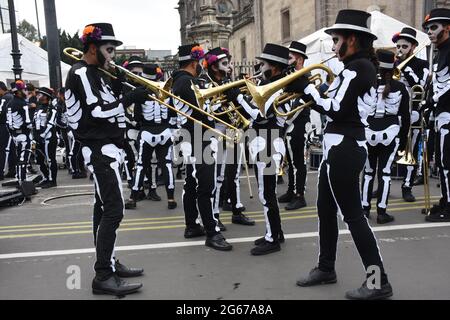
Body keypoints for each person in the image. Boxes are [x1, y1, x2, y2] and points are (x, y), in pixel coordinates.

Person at [292, 10, 393, 300]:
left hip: (345, 148)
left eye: (336, 40)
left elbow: (336, 109)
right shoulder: (354, 69)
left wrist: (307, 89)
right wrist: (310, 93)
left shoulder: (358, 68)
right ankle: (326, 268)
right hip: (336, 146)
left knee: (354, 217)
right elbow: (331, 103)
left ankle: (378, 281)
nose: (333, 47)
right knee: (325, 210)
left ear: (352, 39)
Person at [65, 22, 146, 296]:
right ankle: (103, 274)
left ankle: (108, 262)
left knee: (103, 208)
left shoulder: (96, 73)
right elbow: (98, 111)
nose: (112, 55)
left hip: (109, 148)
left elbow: (107, 105)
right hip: (99, 150)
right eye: (109, 49)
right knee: (114, 209)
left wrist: (121, 85)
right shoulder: (82, 73)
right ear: (92, 47)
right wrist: (130, 97)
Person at [225, 43, 292, 255]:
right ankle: (276, 232)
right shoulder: (272, 84)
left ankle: (273, 239)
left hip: (269, 143)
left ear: (273, 67)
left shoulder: (278, 87)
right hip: (265, 141)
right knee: (268, 192)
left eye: (262, 64)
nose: (259, 67)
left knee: (266, 194)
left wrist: (236, 96)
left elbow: (259, 115)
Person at [172, 43, 232, 251]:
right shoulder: (187, 82)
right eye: (198, 62)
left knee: (191, 184)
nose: (201, 67)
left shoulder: (180, 81)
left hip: (191, 136)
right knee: (206, 186)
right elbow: (204, 112)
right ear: (193, 62)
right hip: (199, 138)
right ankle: (212, 232)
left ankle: (191, 225)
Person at [202, 47, 255, 230]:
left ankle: (237, 210)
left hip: (232, 130)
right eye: (225, 64)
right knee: (219, 176)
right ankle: (215, 214)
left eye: (230, 63)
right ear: (214, 66)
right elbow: (210, 112)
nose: (230, 67)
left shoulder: (227, 81)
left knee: (235, 174)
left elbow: (237, 108)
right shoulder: (206, 84)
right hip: (216, 131)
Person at [361, 50, 411, 224]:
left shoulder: (368, 85)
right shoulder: (400, 88)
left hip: (368, 134)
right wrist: (403, 143)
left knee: (368, 173)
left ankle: (364, 209)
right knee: (385, 173)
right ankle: (382, 212)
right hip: (390, 134)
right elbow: (406, 118)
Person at [127, 63, 178, 210]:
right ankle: (171, 198)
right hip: (165, 132)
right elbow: (173, 113)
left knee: (141, 165)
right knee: (167, 165)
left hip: (147, 132)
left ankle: (133, 198)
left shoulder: (139, 92)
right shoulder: (167, 90)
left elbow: (136, 117)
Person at [393, 27, 430, 202]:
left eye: (404, 46)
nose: (399, 49)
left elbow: (421, 86)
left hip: (412, 113)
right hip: (393, 113)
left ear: (413, 47)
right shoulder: (392, 65)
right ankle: (381, 183)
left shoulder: (421, 65)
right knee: (385, 151)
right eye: (398, 46)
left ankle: (407, 186)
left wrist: (405, 69)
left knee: (410, 151)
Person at [423, 8, 450, 222]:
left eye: (434, 27)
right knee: (441, 161)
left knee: (447, 161)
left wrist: (431, 100)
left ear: (447, 28)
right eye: (428, 28)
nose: (430, 32)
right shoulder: (439, 51)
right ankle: (445, 199)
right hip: (441, 114)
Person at [278, 41, 310, 210]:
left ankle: (300, 195)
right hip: (289, 123)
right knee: (290, 161)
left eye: (289, 58)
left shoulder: (304, 77)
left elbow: (300, 103)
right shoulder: (290, 77)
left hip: (299, 123)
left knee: (299, 161)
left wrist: (286, 121)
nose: (287, 61)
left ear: (299, 60)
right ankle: (291, 190)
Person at [6, 80, 33, 183]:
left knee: (19, 156)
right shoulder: (23, 104)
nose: (26, 92)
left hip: (14, 135)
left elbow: (8, 123)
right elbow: (27, 122)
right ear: (19, 91)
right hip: (24, 135)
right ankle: (22, 179)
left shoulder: (10, 104)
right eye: (24, 89)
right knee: (24, 157)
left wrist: (12, 134)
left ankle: (19, 177)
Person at [33, 87, 58, 188]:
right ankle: (45, 177)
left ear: (45, 96)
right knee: (38, 159)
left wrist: (42, 135)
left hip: (49, 137)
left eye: (40, 94)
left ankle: (52, 180)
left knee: (50, 159)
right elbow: (34, 123)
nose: (38, 96)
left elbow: (51, 123)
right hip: (38, 137)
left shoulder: (52, 109)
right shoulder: (38, 108)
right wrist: (35, 136)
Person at [0, 81, 14, 180]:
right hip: (12, 126)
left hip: (3, 125)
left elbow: (1, 111)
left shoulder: (4, 99)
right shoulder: (12, 97)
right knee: (12, 149)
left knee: (2, 149)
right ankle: (12, 170)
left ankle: (1, 172)